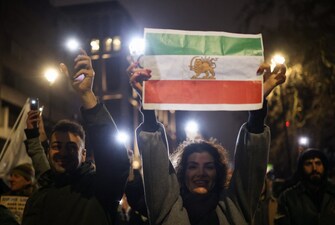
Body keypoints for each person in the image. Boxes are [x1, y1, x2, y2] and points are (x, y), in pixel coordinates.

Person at [128, 62, 286, 225]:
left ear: (218, 173)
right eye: (193, 166)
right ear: (182, 172)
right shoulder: (167, 209)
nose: (201, 173)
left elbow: (251, 165)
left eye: (209, 167)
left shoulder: (234, 208)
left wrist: (257, 104)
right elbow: (155, 163)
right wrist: (147, 102)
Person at [21, 49, 130, 225]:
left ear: (84, 154)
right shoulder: (39, 194)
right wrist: (34, 136)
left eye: (72, 147)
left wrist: (87, 96)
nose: (63, 153)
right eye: (57, 146)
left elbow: (115, 161)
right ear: (48, 151)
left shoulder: (99, 190)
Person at [275, 148, 335, 225]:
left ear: (324, 166)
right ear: (301, 168)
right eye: (308, 164)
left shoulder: (332, 192)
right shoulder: (288, 198)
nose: (314, 168)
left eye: (318, 163)